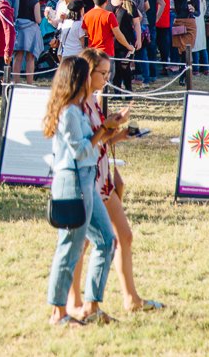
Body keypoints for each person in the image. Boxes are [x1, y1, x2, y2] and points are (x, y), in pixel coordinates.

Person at [67, 48, 165, 317]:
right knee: (84, 242)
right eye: (102, 73)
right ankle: (75, 301)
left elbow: (101, 139)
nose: (106, 78)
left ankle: (131, 298)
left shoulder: (93, 101)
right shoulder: (76, 105)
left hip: (103, 179)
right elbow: (84, 143)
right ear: (88, 72)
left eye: (108, 72)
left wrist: (119, 134)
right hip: (88, 180)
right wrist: (106, 129)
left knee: (124, 235)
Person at [42, 55, 122, 326]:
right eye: (87, 75)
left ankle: (92, 305)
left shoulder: (77, 110)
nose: (91, 79)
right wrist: (104, 131)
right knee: (69, 247)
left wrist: (107, 130)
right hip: (73, 181)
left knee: (106, 240)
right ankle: (58, 311)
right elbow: (79, 149)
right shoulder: (69, 112)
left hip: (86, 180)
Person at [12, 0, 45, 85]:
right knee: (30, 58)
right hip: (30, 30)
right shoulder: (34, 1)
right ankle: (29, 83)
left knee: (18, 57)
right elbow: (38, 19)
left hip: (18, 29)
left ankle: (16, 82)